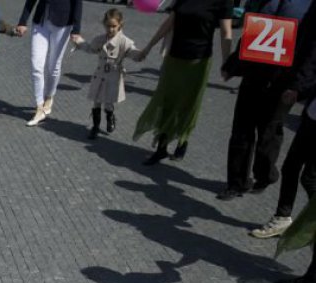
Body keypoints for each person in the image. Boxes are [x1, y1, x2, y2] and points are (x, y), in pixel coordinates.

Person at [218, 1, 315, 201]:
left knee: (268, 134)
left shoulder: (309, 8)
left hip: (282, 81)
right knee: (241, 131)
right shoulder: (270, 3)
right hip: (254, 76)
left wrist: (298, 87)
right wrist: (233, 65)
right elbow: (251, 35)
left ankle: (265, 175)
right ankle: (236, 182)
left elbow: (311, 53)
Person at [133, 0, 232, 165]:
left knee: (187, 103)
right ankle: (161, 148)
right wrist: (148, 47)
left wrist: (227, 63)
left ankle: (182, 140)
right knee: (166, 100)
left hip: (198, 61)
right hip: (174, 57)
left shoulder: (223, 2)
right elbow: (169, 22)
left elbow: (226, 32)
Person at [249, 6, 316, 237]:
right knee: (292, 166)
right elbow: (303, 42)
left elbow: (311, 52)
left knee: (309, 177)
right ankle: (283, 216)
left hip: (306, 96)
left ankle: (307, 223)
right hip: (312, 109)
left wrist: (298, 87)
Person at [15, 0, 83, 126]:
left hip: (63, 22)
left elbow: (77, 3)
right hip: (40, 21)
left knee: (53, 66)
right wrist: (22, 21)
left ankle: (49, 96)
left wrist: (76, 29)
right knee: (36, 66)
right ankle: (39, 107)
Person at [73, 8, 138, 139]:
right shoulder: (100, 39)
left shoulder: (123, 41)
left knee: (108, 102)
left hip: (113, 77)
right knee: (96, 101)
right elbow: (91, 49)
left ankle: (110, 117)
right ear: (104, 25)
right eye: (108, 26)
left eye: (114, 26)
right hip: (100, 75)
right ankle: (95, 127)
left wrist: (140, 54)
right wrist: (80, 42)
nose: (111, 29)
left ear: (120, 25)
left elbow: (132, 51)